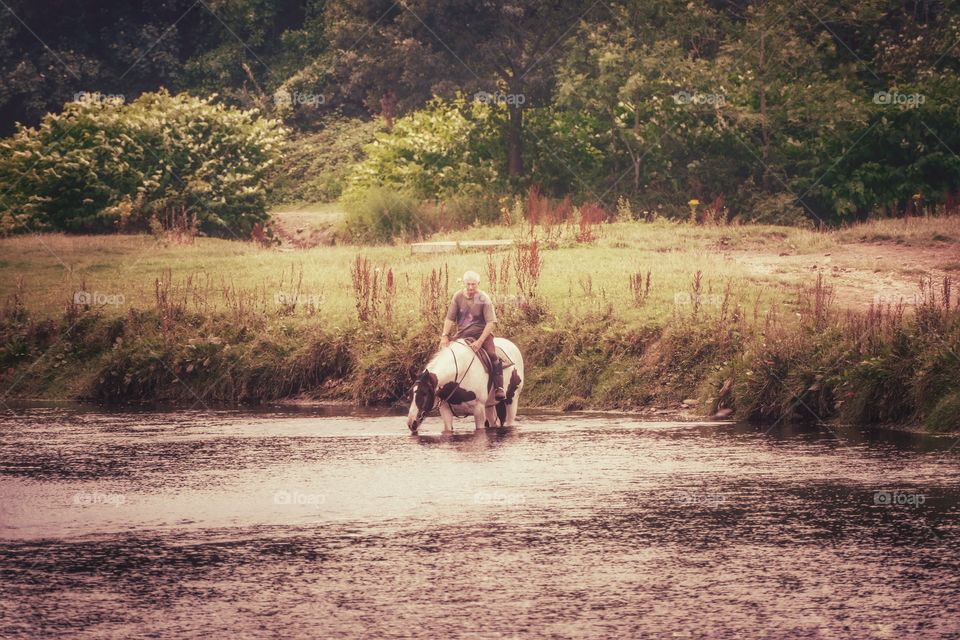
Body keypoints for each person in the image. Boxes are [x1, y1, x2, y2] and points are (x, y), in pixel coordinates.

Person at [439, 270, 506, 401]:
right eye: (468, 284)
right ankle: (442, 386)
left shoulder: (483, 298)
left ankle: (499, 387)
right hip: (462, 335)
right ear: (464, 283)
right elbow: (449, 319)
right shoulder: (457, 297)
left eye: (473, 284)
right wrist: (444, 336)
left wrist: (480, 341)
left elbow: (490, 323)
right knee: (446, 354)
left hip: (482, 334)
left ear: (478, 284)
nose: (471, 287)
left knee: (493, 355)